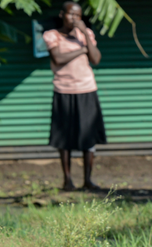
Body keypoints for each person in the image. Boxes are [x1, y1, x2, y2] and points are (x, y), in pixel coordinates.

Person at [43, 1, 106, 191]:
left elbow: (95, 59)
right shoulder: (52, 35)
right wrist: (82, 50)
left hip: (87, 90)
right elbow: (58, 59)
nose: (74, 19)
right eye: (71, 14)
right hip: (64, 91)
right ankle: (67, 180)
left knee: (89, 137)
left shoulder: (85, 35)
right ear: (62, 14)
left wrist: (85, 35)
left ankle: (88, 179)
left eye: (78, 16)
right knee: (64, 138)